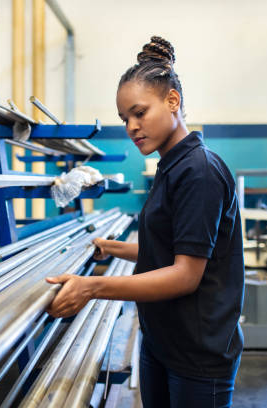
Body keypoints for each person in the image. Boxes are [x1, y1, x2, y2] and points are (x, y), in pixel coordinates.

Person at [45, 36, 244, 408]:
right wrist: (110, 247)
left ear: (172, 101)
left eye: (140, 113)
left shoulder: (199, 172)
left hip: (197, 355)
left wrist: (92, 288)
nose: (132, 126)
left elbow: (185, 274)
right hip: (163, 340)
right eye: (125, 119)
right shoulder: (170, 167)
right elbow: (168, 247)